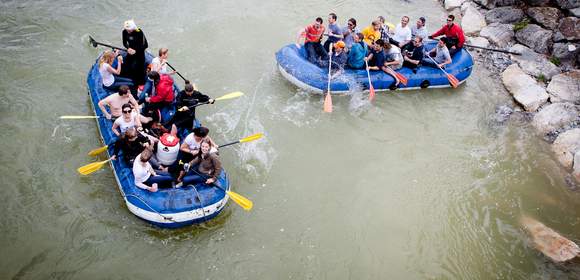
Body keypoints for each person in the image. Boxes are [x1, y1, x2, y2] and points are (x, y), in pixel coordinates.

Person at [121, 20, 148, 85]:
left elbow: (146, 45)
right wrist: (128, 48)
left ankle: (140, 83)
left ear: (133, 27)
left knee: (140, 68)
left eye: (129, 29)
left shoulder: (139, 32)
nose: (128, 31)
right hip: (130, 51)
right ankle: (126, 80)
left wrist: (136, 51)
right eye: (127, 29)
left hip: (140, 52)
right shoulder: (124, 32)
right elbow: (124, 43)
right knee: (126, 64)